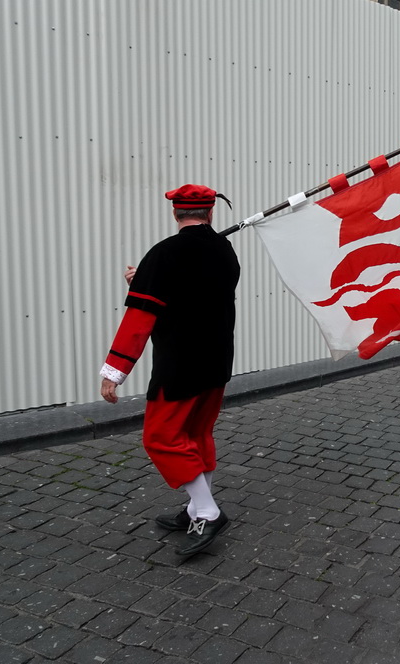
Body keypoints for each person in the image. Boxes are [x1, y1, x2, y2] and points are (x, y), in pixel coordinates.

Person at [100, 184, 241, 557]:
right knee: (197, 433)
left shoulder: (164, 254)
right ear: (211, 213)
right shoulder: (224, 249)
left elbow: (140, 318)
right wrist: (144, 279)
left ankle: (208, 512)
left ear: (175, 213)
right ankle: (195, 508)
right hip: (216, 359)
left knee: (160, 437)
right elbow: (195, 294)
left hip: (181, 365)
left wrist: (115, 371)